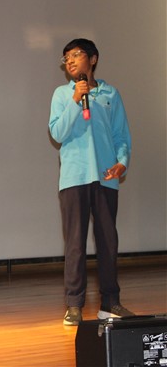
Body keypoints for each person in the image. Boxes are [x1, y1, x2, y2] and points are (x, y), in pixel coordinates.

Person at [49, 38, 135, 326]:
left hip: (106, 177)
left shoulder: (111, 93)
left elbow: (121, 135)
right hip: (74, 176)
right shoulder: (62, 94)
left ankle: (110, 303)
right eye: (66, 58)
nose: (70, 61)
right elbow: (57, 133)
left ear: (93, 59)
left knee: (108, 242)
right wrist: (75, 100)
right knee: (75, 243)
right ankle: (74, 305)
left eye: (76, 55)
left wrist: (122, 161)